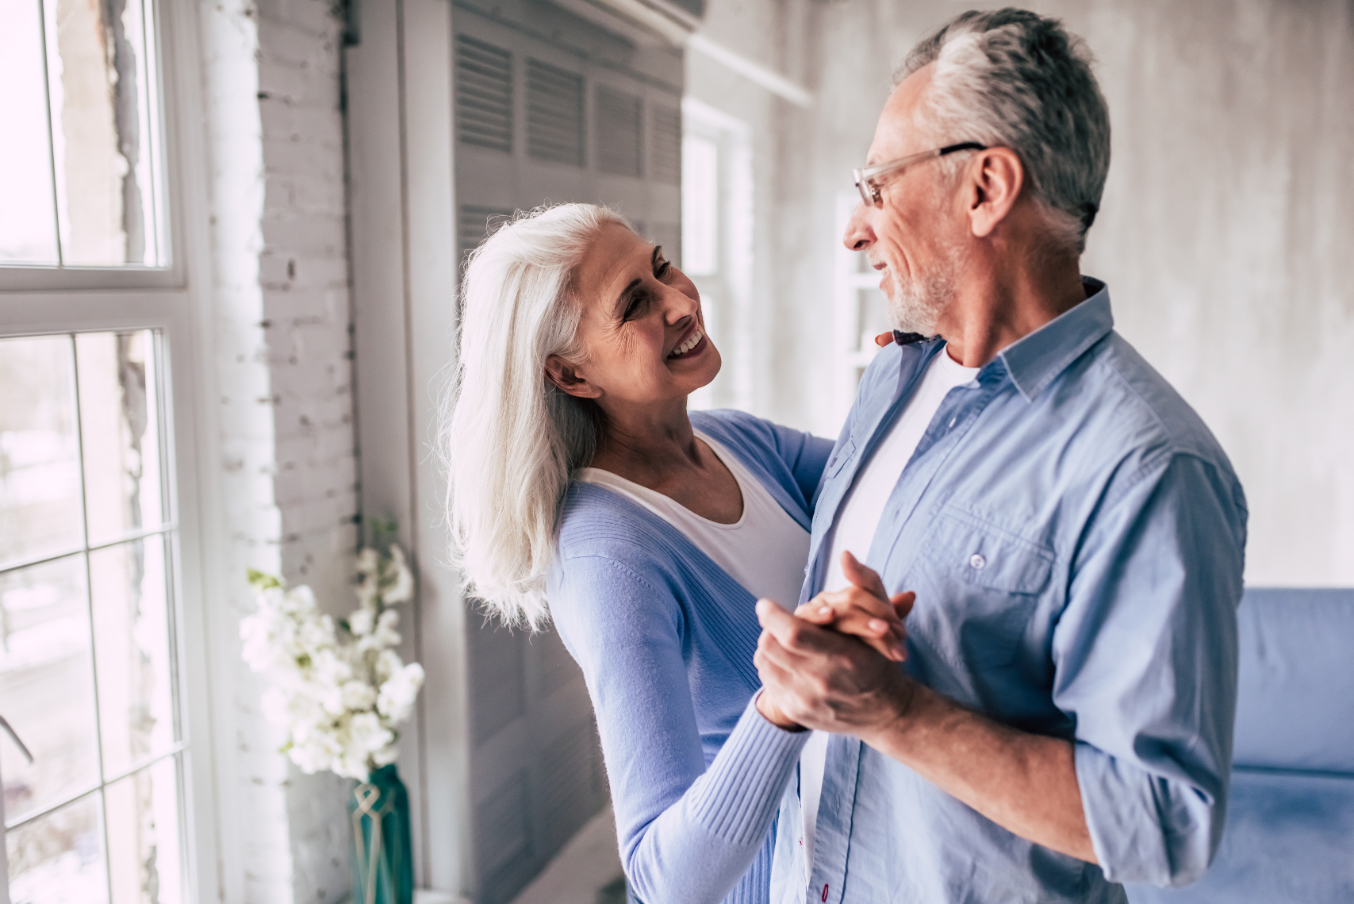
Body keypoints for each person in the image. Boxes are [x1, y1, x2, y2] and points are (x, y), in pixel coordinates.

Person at [751, 9, 1248, 904]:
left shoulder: (1149, 469)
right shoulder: (894, 377)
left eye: (875, 184)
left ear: (985, 187)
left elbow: (1161, 822)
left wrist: (893, 712)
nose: (855, 230)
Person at [443, 204, 907, 904]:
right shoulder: (611, 557)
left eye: (661, 267)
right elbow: (664, 879)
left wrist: (912, 374)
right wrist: (781, 704)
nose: (682, 301)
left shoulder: (736, 441)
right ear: (571, 376)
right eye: (636, 303)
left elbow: (895, 491)